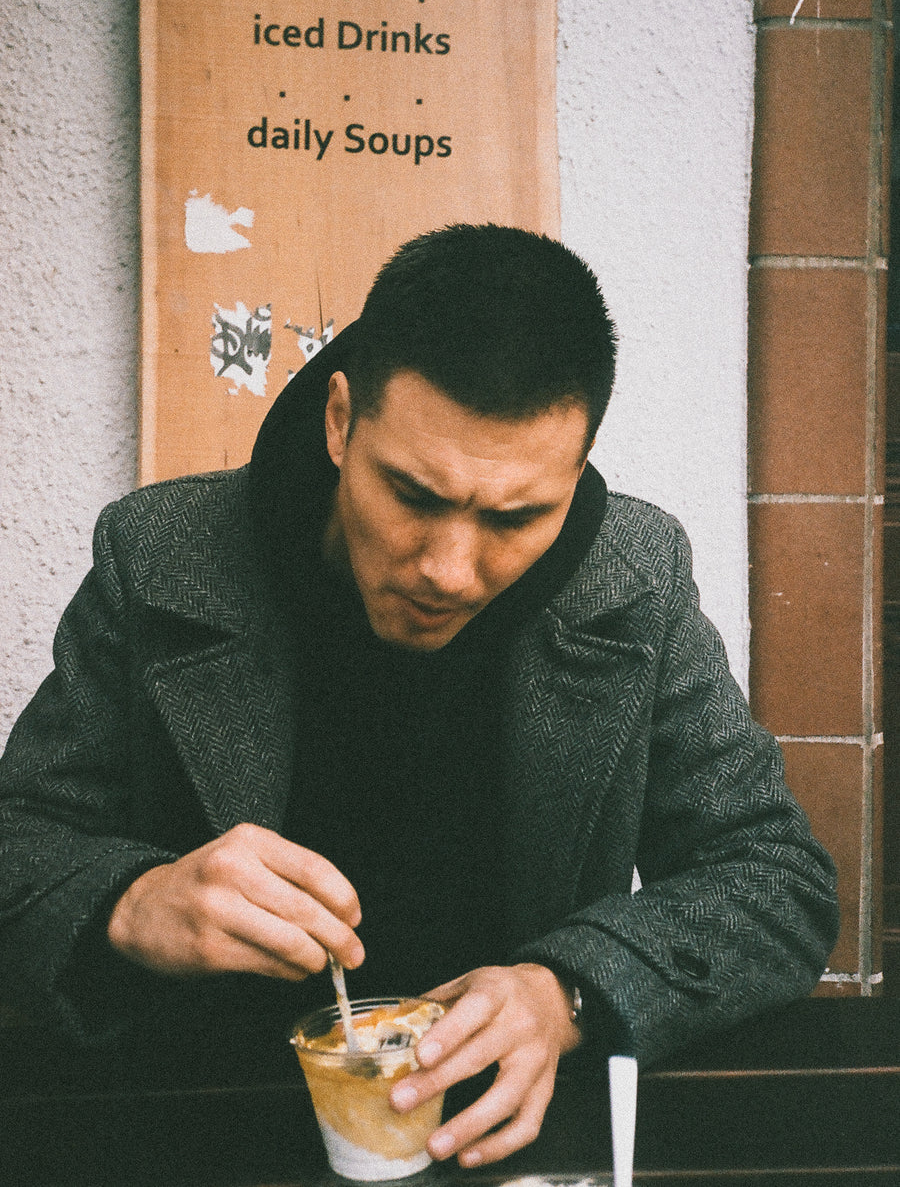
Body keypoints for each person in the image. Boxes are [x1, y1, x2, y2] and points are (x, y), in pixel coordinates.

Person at [0, 224, 838, 1169]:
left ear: (579, 469)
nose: (449, 569)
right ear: (339, 421)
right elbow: (20, 841)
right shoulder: (158, 555)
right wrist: (132, 902)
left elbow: (777, 881)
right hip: (196, 1129)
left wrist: (564, 993)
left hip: (516, 1139)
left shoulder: (635, 575)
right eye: (413, 494)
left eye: (516, 516)